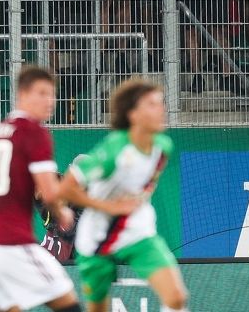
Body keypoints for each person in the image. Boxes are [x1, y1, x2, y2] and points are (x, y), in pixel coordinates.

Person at [61, 78, 186, 312]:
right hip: (98, 238)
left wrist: (136, 203)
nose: (162, 109)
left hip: (138, 232)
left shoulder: (163, 147)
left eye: (161, 103)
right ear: (133, 114)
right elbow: (66, 189)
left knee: (176, 297)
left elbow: (143, 184)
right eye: (152, 104)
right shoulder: (114, 150)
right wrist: (109, 207)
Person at [0, 65, 85, 312]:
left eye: (51, 93)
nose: (49, 100)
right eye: (41, 93)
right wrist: (63, 214)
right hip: (12, 243)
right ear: (23, 94)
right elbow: (49, 192)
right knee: (67, 302)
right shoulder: (34, 132)